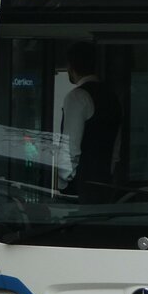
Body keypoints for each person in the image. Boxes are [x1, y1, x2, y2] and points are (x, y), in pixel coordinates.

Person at [58, 42, 121, 203]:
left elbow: (70, 148)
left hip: (80, 187)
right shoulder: (112, 97)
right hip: (104, 183)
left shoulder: (77, 97)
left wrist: (63, 181)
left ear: (71, 67)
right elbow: (115, 149)